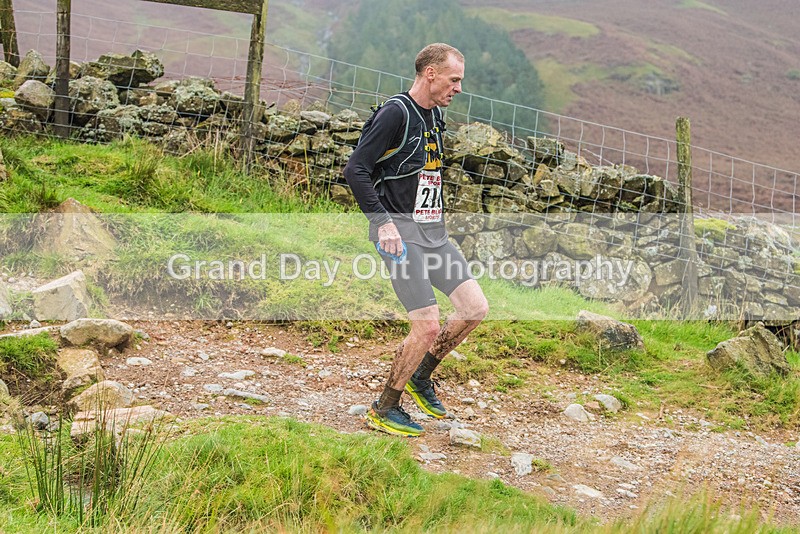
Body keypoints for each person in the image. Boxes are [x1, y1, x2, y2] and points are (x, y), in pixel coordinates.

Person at [343, 43, 489, 437]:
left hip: (433, 233)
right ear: (431, 74)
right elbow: (355, 169)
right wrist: (383, 224)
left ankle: (421, 377)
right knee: (426, 327)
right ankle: (384, 407)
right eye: (454, 79)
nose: (458, 88)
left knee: (474, 308)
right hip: (399, 236)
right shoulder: (396, 113)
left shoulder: (435, 115)